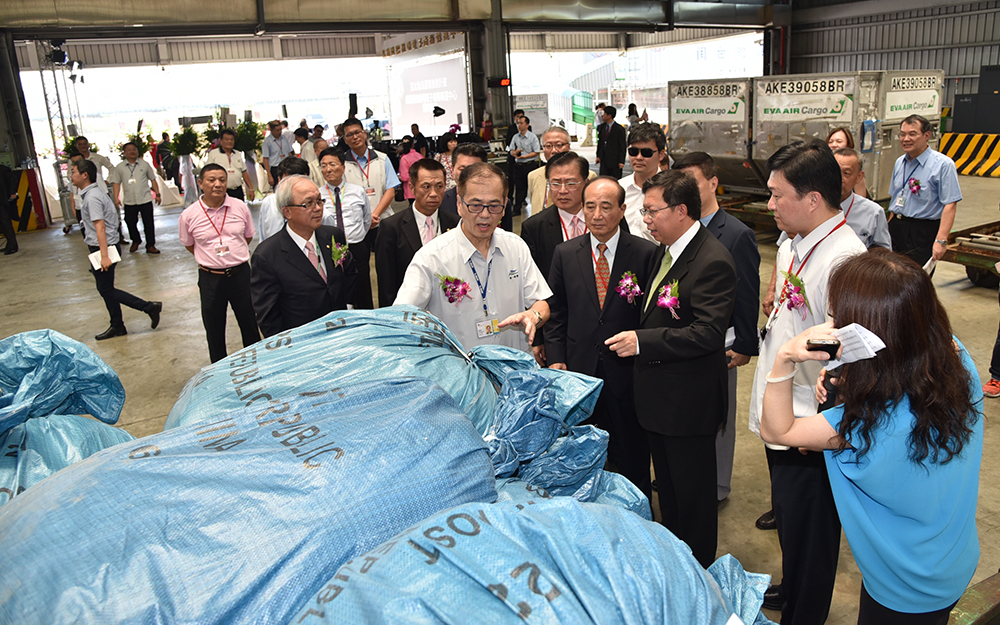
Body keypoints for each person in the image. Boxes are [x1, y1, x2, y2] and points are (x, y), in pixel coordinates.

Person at [761, 249, 983, 624]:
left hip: (903, 587)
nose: (830, 326)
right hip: (948, 557)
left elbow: (779, 431)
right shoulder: (955, 360)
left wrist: (785, 357)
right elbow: (899, 364)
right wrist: (849, 380)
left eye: (839, 319)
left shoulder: (866, 425)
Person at [748, 139, 866, 624]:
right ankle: (792, 584)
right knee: (793, 520)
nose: (770, 205)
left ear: (813, 198)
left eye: (778, 195)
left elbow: (845, 360)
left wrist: (816, 425)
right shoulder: (798, 239)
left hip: (809, 426)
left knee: (814, 526)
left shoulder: (843, 260)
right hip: (784, 410)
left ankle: (806, 609)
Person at [604, 169, 736, 568]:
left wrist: (642, 341)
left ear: (681, 210)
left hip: (687, 405)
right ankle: (677, 563)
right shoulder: (667, 251)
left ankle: (698, 572)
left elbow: (707, 334)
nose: (646, 221)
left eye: (651, 212)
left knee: (693, 498)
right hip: (660, 402)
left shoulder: (711, 260)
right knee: (672, 495)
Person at [545, 176, 657, 501]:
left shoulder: (646, 254)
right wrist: (556, 358)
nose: (597, 215)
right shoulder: (565, 254)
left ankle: (636, 513)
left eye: (606, 207)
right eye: (590, 206)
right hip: (580, 373)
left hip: (629, 374)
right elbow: (556, 311)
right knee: (584, 454)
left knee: (633, 454)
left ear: (622, 210)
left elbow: (652, 316)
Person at [673, 152, 760, 503]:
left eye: (692, 183)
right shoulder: (675, 228)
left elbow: (747, 293)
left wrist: (744, 342)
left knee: (720, 418)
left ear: (712, 183)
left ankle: (718, 486)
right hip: (680, 339)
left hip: (720, 343)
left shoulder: (735, 233)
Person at [394, 162, 551, 352]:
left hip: (515, 371)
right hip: (460, 374)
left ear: (504, 207)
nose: (485, 215)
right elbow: (401, 317)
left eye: (494, 206)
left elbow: (541, 303)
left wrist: (534, 316)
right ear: (459, 204)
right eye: (475, 205)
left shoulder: (515, 247)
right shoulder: (431, 258)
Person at [250, 175, 357, 337]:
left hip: (341, 331)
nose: (318, 208)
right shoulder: (267, 255)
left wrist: (348, 308)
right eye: (308, 203)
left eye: (319, 201)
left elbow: (350, 274)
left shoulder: (333, 236)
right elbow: (268, 316)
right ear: (287, 211)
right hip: (303, 340)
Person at [178, 163, 260, 363]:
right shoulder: (189, 215)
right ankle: (218, 371)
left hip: (241, 274)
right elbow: (190, 244)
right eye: (211, 180)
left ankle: (257, 365)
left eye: (222, 180)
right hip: (210, 278)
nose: (217, 184)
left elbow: (247, 237)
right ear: (200, 183)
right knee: (214, 329)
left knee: (250, 323)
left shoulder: (240, 207)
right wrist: (211, 259)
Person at [71, 158, 161, 340]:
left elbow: (100, 228)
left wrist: (104, 256)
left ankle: (148, 307)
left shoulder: (93, 197)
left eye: (73, 172)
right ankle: (117, 325)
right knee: (106, 288)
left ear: (84, 175)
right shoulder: (92, 193)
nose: (70, 176)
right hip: (101, 246)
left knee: (106, 290)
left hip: (103, 247)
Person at [520, 152, 590, 365]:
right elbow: (531, 288)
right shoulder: (534, 228)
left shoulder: (606, 219)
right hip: (558, 329)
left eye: (570, 183)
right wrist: (538, 339)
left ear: (586, 183)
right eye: (555, 183)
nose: (562, 190)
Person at [375, 158, 459, 307]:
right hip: (409, 310)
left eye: (439, 186)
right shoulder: (391, 227)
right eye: (426, 187)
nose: (433, 193)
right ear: (412, 188)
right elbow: (386, 283)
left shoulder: (455, 223)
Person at [341, 117, 401, 310]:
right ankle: (364, 312)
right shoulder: (342, 163)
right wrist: (366, 219)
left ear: (364, 133)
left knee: (386, 268)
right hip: (357, 227)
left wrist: (373, 215)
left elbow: (391, 189)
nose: (355, 137)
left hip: (382, 221)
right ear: (344, 139)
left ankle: (389, 309)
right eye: (350, 134)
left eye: (358, 132)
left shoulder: (382, 158)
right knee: (360, 271)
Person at [887, 114, 961, 268]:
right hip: (897, 227)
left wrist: (941, 240)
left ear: (926, 135)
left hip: (922, 231)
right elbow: (895, 197)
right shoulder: (900, 162)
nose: (906, 139)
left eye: (912, 134)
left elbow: (950, 204)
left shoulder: (943, 165)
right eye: (902, 134)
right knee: (890, 276)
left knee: (916, 279)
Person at [316, 148, 371, 276]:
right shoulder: (317, 195)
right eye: (323, 166)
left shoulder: (358, 191)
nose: (328, 169)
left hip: (356, 245)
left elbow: (366, 219)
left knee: (361, 285)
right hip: (330, 247)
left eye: (332, 164)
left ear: (343, 167)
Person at [526, 126, 597, 218]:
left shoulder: (589, 176)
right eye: (548, 146)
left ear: (568, 146)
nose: (554, 150)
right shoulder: (533, 176)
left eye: (559, 145)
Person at [110, 142, 161, 255]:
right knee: (130, 222)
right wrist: (116, 198)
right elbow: (116, 183)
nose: (132, 152)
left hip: (145, 199)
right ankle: (136, 240)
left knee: (149, 223)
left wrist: (157, 194)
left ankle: (150, 245)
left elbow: (153, 179)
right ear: (124, 153)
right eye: (129, 150)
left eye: (134, 149)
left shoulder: (144, 164)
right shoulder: (120, 167)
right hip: (129, 200)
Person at [619, 123, 667, 242]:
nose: (639, 157)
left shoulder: (671, 190)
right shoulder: (618, 188)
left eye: (646, 152)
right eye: (633, 151)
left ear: (661, 155)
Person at [258, 157, 311, 243]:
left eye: (298, 180)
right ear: (279, 180)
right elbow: (263, 235)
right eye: (289, 180)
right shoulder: (269, 202)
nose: (293, 185)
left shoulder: (314, 204)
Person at [206, 128, 256, 203]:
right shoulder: (213, 154)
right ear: (220, 140)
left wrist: (251, 189)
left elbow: (244, 172)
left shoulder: (238, 154)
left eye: (231, 139)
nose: (229, 141)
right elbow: (208, 173)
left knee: (239, 212)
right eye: (226, 139)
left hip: (237, 190)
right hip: (221, 191)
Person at [507, 115, 541, 221]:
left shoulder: (532, 137)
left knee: (532, 188)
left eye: (521, 123)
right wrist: (515, 153)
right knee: (519, 188)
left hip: (529, 165)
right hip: (518, 166)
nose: (519, 125)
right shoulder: (515, 137)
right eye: (518, 123)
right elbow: (511, 150)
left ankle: (536, 210)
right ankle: (517, 209)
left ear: (527, 125)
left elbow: (536, 152)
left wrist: (524, 156)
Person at [440, 143, 488, 216]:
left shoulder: (498, 203)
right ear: (453, 169)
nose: (467, 174)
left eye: (474, 169)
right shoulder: (440, 202)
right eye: (462, 169)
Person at [596, 106, 627, 180]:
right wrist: (598, 156)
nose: (602, 116)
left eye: (604, 114)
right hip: (604, 159)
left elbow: (622, 146)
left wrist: (621, 161)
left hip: (615, 160)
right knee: (603, 179)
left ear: (609, 116)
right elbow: (600, 143)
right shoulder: (601, 127)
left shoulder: (619, 129)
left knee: (615, 180)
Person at [262, 120, 295, 189]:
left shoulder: (284, 138)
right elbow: (265, 159)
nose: (279, 132)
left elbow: (289, 151)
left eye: (280, 129)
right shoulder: (267, 142)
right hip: (275, 168)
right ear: (271, 130)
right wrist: (269, 175)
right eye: (277, 130)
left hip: (287, 166)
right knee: (279, 189)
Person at [397, 136, 423, 207]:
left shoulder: (404, 158)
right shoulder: (420, 156)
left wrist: (399, 177)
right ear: (413, 144)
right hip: (422, 188)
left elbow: (404, 177)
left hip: (410, 190)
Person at [0, 163, 18, 255]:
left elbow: (12, 181)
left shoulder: (3, 170)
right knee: (3, 225)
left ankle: (13, 246)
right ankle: (9, 244)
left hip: (2, 201)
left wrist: (12, 192)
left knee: (6, 223)